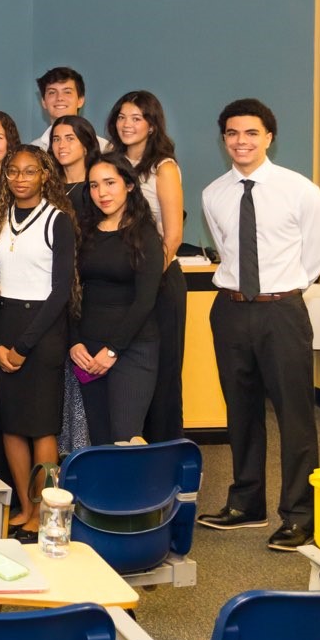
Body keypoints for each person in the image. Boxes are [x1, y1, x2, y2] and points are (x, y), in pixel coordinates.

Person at [197, 99, 320, 551]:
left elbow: (316, 254)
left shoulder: (300, 190)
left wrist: (282, 290)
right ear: (224, 140)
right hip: (231, 309)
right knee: (241, 411)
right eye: (232, 133)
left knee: (295, 415)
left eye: (251, 133)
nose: (242, 141)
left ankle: (299, 515)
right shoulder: (214, 193)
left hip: (281, 310)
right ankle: (246, 503)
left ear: (269, 137)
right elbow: (226, 247)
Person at [0, 145, 76, 532]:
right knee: (11, 426)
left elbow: (61, 291)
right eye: (14, 172)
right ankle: (24, 507)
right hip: (4, 327)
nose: (21, 179)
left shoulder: (58, 220)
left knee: (41, 428)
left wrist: (23, 347)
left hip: (43, 332)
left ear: (45, 176)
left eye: (30, 171)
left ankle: (44, 512)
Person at [108, 90, 186, 444]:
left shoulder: (163, 168)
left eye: (137, 118)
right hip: (124, 285)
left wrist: (148, 281)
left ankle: (167, 455)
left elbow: (173, 235)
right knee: (130, 374)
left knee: (163, 374)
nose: (127, 124)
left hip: (159, 284)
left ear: (152, 125)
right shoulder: (111, 162)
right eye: (122, 117)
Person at [71, 151, 163, 446]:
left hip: (132, 349)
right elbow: (72, 292)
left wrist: (112, 351)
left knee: (125, 438)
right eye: (94, 185)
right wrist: (74, 341)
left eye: (110, 183)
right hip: (88, 351)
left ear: (129, 185)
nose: (102, 192)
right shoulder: (85, 231)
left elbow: (145, 301)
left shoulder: (145, 234)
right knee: (99, 442)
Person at [31, 67, 110, 151]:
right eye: (52, 92)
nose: (59, 98)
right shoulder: (34, 150)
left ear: (80, 100)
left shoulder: (104, 148)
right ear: (43, 102)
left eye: (67, 92)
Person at [48, 114, 102, 213]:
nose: (61, 145)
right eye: (56, 139)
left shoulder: (97, 186)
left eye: (70, 139)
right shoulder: (48, 185)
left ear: (86, 146)